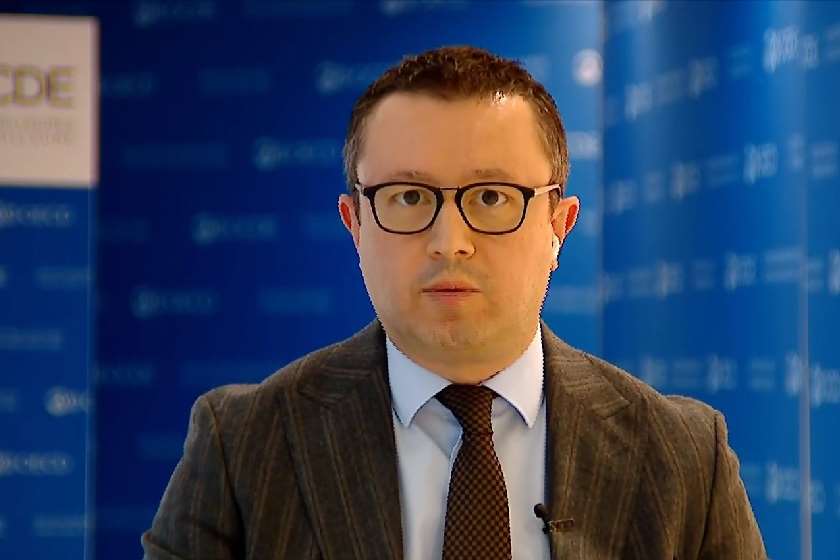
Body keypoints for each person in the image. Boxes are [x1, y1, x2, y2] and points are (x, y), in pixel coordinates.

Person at [142, 46, 767, 560]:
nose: (450, 242)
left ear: (559, 226)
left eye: (492, 198)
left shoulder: (684, 456)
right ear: (355, 225)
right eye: (409, 198)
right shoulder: (243, 446)